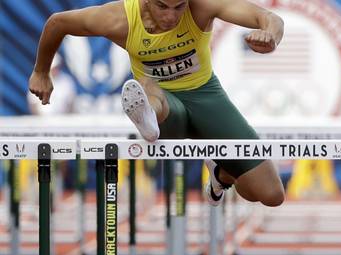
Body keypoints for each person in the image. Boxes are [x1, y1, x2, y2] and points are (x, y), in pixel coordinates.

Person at [29, 0, 285, 207]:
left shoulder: (202, 5)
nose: (172, 17)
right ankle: (145, 114)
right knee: (149, 88)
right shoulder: (120, 19)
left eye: (179, 7)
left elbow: (269, 17)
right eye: (162, 6)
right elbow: (58, 23)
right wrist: (41, 71)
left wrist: (270, 35)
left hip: (206, 96)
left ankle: (221, 173)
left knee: (271, 195)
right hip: (164, 104)